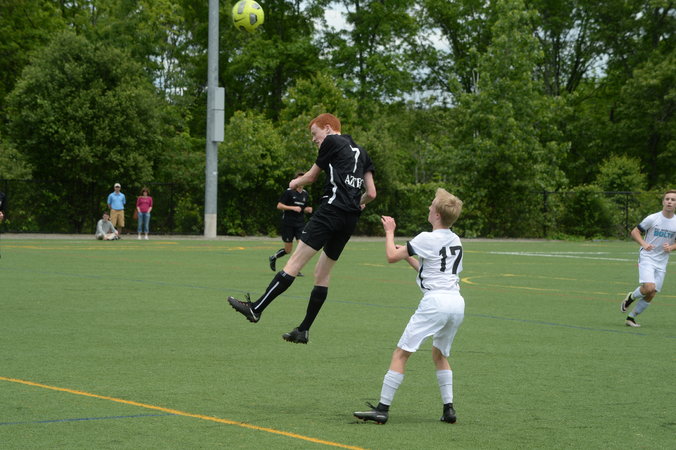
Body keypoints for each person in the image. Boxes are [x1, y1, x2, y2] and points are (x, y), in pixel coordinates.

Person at [227, 113, 376, 344]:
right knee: (322, 274)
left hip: (330, 211)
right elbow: (372, 193)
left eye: (315, 134)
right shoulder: (363, 153)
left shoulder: (331, 141)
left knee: (294, 263)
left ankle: (256, 309)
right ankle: (303, 330)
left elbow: (312, 176)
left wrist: (294, 183)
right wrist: (359, 202)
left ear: (328, 128)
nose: (314, 139)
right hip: (349, 219)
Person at [353, 188, 465, 425]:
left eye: (431, 205)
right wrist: (408, 255)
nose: (429, 207)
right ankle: (449, 409)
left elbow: (390, 256)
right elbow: (431, 269)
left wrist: (389, 232)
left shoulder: (426, 238)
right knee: (440, 354)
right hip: (456, 302)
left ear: (437, 214)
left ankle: (382, 409)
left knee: (401, 353)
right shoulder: (455, 240)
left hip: (435, 302)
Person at [620, 189, 676, 327]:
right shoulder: (653, 218)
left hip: (662, 261)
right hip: (647, 257)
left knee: (652, 293)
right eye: (667, 199)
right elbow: (635, 232)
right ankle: (631, 297)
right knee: (649, 287)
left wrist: (671, 247)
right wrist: (644, 244)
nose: (669, 202)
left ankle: (631, 318)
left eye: (673, 200)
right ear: (663, 201)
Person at [268, 172, 313, 275]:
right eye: (299, 179)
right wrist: (292, 208)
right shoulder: (289, 192)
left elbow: (302, 208)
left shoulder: (305, 194)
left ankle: (294, 269)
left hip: (300, 224)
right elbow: (279, 206)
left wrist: (307, 209)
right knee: (288, 250)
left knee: (301, 246)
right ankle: (274, 257)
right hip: (288, 223)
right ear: (295, 180)